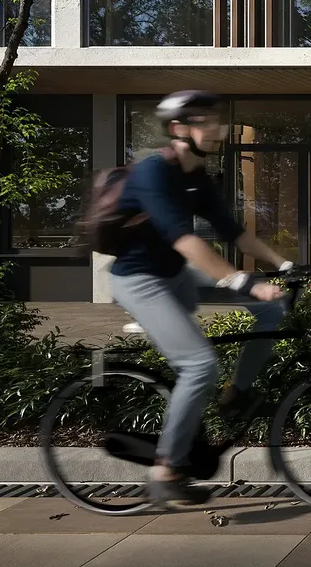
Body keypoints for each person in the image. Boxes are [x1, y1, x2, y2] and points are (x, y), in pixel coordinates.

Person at [108, 90, 294, 508]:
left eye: (217, 120)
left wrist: (283, 265)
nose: (217, 128)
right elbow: (186, 240)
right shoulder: (152, 173)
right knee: (198, 365)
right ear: (178, 128)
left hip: (175, 273)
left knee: (271, 307)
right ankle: (165, 470)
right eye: (205, 121)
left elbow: (233, 232)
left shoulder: (199, 176)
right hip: (140, 279)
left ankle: (237, 393)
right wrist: (239, 280)